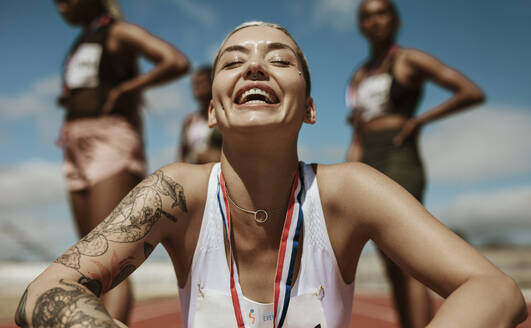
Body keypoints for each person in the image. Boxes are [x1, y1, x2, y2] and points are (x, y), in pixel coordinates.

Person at [16, 21, 527, 328]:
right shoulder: (175, 192)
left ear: (309, 108)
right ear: (212, 112)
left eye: (279, 60)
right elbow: (43, 293)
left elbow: (495, 290)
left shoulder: (349, 191)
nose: (255, 67)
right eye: (232, 62)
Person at [345, 1, 486, 326]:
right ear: (361, 24)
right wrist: (351, 167)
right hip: (367, 157)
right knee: (388, 261)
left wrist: (419, 121)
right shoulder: (360, 74)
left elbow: (470, 91)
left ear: (394, 20)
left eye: (382, 13)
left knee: (408, 260)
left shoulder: (409, 59)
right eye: (366, 15)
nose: (374, 21)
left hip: (398, 156)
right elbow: (356, 128)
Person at [52, 0, 189, 324]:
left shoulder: (117, 32)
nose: (59, 5)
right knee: (86, 261)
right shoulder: (81, 42)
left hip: (109, 139)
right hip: (75, 142)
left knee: (107, 260)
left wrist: (128, 89)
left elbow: (176, 61)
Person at [178, 65, 222, 164]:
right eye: (195, 84)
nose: (197, 88)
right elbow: (181, 154)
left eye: (202, 83)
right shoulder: (190, 120)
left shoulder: (223, 116)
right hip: (193, 174)